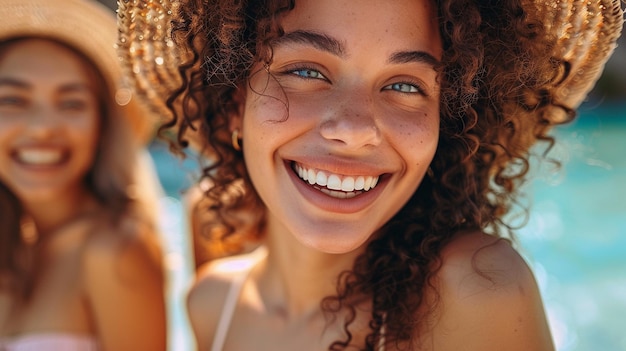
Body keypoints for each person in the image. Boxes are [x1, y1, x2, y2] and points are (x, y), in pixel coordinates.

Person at [118, 0, 623, 350]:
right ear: (232, 104)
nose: (355, 129)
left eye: (405, 84)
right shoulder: (210, 305)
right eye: (307, 71)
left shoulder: (476, 291)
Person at [0, 0, 167, 350]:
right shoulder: (16, 250)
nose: (42, 128)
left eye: (72, 103)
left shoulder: (113, 251)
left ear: (102, 126)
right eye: (12, 100)